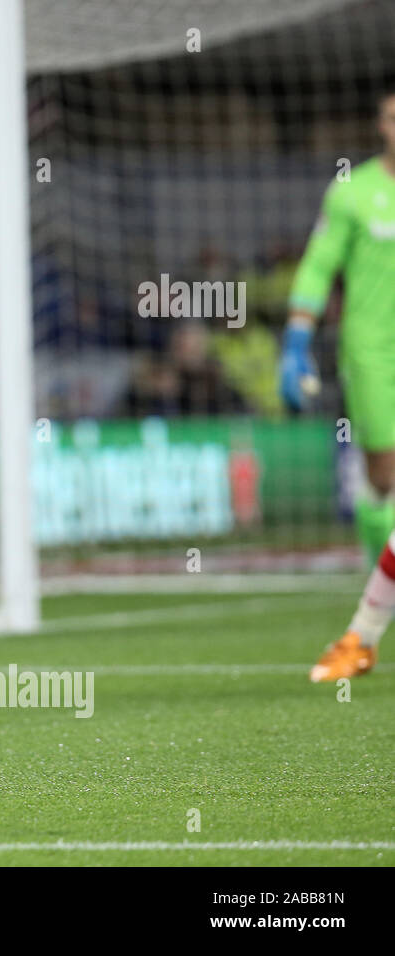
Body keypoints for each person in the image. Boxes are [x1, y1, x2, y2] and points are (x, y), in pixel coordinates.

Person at [282, 93, 395, 681]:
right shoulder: (353, 192)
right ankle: (372, 606)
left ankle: (366, 629)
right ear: (381, 124)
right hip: (373, 352)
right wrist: (298, 336)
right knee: (384, 478)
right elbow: (320, 262)